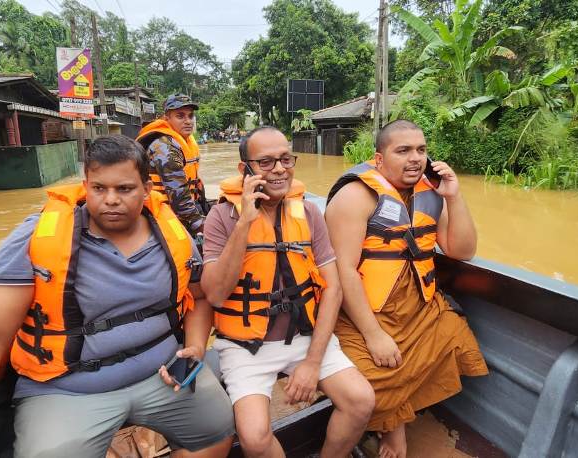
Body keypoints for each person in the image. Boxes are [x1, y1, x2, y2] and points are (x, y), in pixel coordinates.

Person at [0, 135, 234, 458]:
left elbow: (198, 297)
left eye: (124, 189)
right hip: (67, 389)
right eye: (99, 188)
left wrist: (194, 347)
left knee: (217, 431)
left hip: (163, 374)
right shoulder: (38, 239)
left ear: (147, 189)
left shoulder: (171, 232)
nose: (111, 200)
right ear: (85, 185)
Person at [200, 126, 375, 458]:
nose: (279, 169)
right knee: (254, 439)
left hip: (305, 337)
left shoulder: (308, 213)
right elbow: (216, 295)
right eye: (266, 162)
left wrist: (312, 362)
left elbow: (333, 289)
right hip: (246, 346)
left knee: (360, 401)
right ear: (245, 169)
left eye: (285, 159)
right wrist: (244, 223)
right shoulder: (221, 217)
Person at [325, 120, 488, 458]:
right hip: (365, 309)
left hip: (418, 304)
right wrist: (373, 334)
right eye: (403, 150)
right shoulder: (355, 196)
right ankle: (393, 425)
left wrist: (454, 197)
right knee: (371, 376)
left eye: (421, 150)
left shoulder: (432, 192)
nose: (415, 158)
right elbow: (343, 272)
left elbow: (463, 250)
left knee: (456, 336)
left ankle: (394, 421)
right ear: (379, 158)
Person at [137, 94, 209, 235]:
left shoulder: (184, 141)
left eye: (190, 116)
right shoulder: (164, 146)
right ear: (167, 119)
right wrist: (200, 225)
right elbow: (178, 193)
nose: (188, 121)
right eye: (180, 116)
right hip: (162, 213)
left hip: (181, 211)